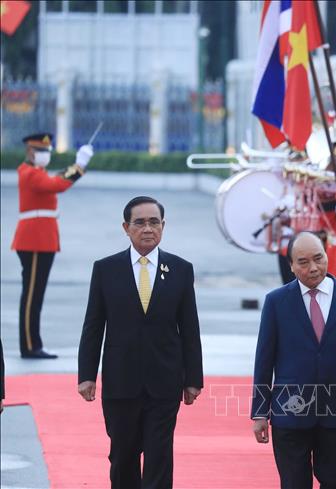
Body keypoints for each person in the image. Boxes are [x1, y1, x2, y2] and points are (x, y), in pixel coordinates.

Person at [77, 196, 203, 489]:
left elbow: (189, 328)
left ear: (163, 226)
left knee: (159, 456)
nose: (148, 228)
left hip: (164, 382)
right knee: (123, 456)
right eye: (140, 222)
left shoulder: (181, 270)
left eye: (154, 222)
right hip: (121, 382)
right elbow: (93, 326)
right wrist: (86, 375)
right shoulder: (106, 269)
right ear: (126, 227)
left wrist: (193, 378)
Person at [251, 231, 336, 489]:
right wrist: (259, 412)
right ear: (291, 265)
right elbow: (264, 360)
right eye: (303, 262)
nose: (313, 268)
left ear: (326, 256)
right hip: (290, 412)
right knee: (294, 483)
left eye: (318, 258)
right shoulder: (276, 302)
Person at [12, 133, 94, 358]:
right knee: (31, 296)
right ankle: (29, 346)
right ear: (30, 152)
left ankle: (33, 343)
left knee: (35, 294)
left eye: (47, 152)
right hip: (34, 240)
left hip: (42, 239)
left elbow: (55, 180)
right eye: (42, 151)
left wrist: (76, 166)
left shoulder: (36, 172)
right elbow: (57, 184)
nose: (45, 156)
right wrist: (78, 166)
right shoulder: (28, 173)